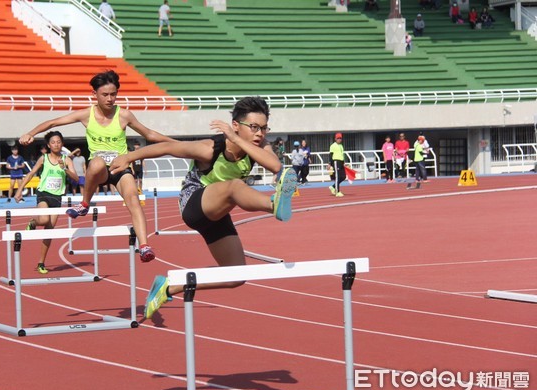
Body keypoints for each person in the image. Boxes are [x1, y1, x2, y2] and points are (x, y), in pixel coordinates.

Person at [108, 96, 298, 319]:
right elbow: (170, 147)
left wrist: (239, 140)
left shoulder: (259, 147)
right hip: (194, 204)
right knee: (234, 187)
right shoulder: (210, 148)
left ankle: (171, 285)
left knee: (236, 275)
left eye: (264, 128)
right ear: (235, 126)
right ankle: (273, 204)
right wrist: (129, 157)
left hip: (218, 211)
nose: (260, 134)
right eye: (254, 127)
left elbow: (276, 166)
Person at [18, 70, 175, 262]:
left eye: (114, 94)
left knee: (133, 197)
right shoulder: (86, 114)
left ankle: (144, 246)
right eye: (105, 95)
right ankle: (85, 203)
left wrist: (177, 144)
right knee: (98, 162)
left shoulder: (124, 115)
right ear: (95, 95)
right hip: (98, 170)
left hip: (119, 167)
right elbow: (53, 122)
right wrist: (30, 133)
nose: (110, 99)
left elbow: (149, 134)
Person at [14, 131, 79, 274]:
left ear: (62, 144)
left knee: (49, 231)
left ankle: (41, 263)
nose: (56, 144)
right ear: (49, 145)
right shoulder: (44, 158)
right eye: (53, 142)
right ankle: (33, 222)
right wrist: (19, 190)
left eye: (58, 142)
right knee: (43, 219)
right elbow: (31, 174)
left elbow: (76, 178)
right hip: (43, 194)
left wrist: (65, 169)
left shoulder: (67, 160)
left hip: (57, 197)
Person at [329, 132, 346, 197]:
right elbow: (330, 155)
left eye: (340, 138)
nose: (339, 139)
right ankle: (337, 191)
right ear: (335, 139)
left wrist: (344, 162)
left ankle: (333, 186)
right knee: (337, 176)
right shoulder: (333, 145)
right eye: (338, 138)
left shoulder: (341, 146)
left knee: (343, 176)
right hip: (336, 161)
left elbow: (342, 154)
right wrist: (330, 163)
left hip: (341, 162)